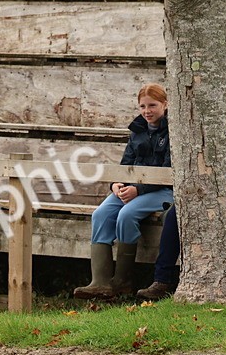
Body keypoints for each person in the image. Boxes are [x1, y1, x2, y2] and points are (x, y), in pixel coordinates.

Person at [137, 78, 226, 300]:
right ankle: (164, 279)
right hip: (209, 194)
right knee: (173, 214)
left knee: (179, 212)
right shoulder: (207, 128)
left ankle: (164, 279)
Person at [74, 83, 173, 300]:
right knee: (100, 214)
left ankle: (122, 281)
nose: (147, 111)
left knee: (126, 214)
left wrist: (138, 189)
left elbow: (168, 171)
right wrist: (116, 184)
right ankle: (99, 282)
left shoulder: (173, 131)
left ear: (165, 104)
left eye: (153, 105)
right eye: (142, 106)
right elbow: (125, 163)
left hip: (163, 190)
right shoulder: (137, 130)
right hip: (132, 189)